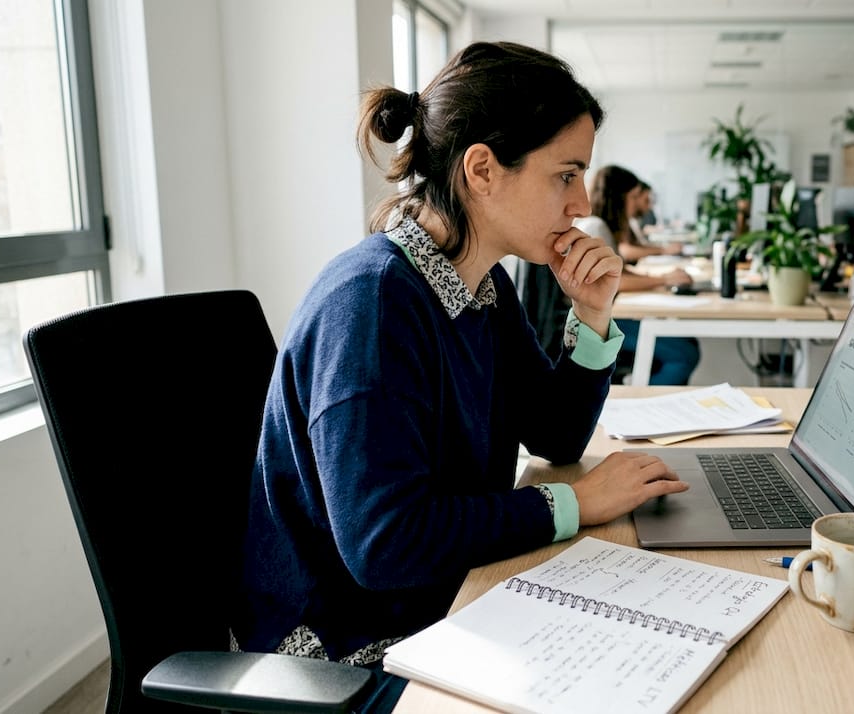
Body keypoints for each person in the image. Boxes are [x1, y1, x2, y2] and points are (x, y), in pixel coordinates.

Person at [235, 41, 689, 712]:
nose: (583, 202)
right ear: (482, 170)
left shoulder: (482, 288)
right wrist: (573, 505)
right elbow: (385, 545)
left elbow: (557, 435)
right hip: (349, 651)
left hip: (444, 598)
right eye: (566, 174)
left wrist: (590, 314)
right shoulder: (373, 305)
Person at [575, 165, 701, 385]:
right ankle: (645, 402)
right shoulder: (594, 227)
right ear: (617, 198)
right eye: (633, 197)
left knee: (687, 342)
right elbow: (613, 282)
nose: (636, 203)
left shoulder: (602, 226)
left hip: (610, 315)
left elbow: (617, 272)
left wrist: (662, 278)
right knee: (684, 354)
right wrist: (664, 280)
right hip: (596, 322)